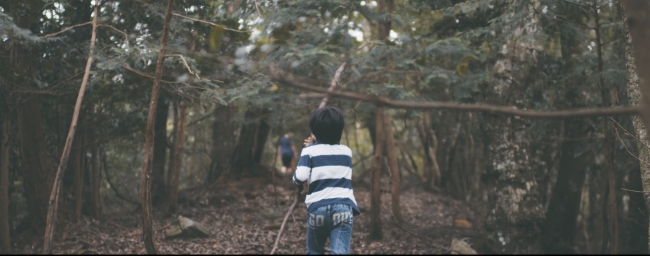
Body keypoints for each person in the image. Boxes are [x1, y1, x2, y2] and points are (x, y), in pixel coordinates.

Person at [293, 107, 360, 255]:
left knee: (315, 250)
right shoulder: (346, 152)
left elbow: (301, 177)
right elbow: (329, 153)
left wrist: (308, 149)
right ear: (340, 129)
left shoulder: (309, 151)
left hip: (318, 208)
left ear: (314, 132)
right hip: (343, 208)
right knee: (340, 251)